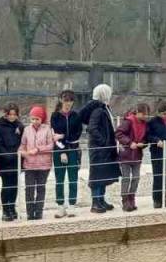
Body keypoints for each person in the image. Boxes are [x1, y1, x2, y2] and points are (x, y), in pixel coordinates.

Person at [81, 84, 119, 213]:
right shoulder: (98, 110)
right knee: (97, 176)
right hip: (99, 149)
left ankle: (101, 199)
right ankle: (96, 202)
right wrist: (103, 141)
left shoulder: (102, 108)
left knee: (103, 174)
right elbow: (92, 128)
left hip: (103, 149)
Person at [51, 90, 83, 218]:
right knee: (59, 179)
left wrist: (63, 136)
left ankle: (72, 205)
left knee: (73, 178)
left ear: (73, 102)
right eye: (65, 100)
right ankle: (60, 206)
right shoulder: (55, 116)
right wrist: (62, 150)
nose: (68, 103)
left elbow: (77, 134)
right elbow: (54, 135)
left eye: (70, 100)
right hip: (59, 151)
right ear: (61, 100)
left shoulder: (76, 116)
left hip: (73, 150)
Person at [21, 105, 56, 220]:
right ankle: (30, 213)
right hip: (29, 164)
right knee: (29, 188)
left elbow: (51, 145)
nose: (35, 121)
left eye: (37, 119)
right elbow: (23, 144)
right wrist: (22, 152)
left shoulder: (47, 129)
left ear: (42, 119)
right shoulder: (26, 130)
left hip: (43, 165)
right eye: (33, 119)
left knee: (41, 188)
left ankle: (39, 211)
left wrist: (38, 149)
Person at [115, 103, 149, 212]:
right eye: (143, 114)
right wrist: (129, 142)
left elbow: (146, 139)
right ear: (138, 112)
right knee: (126, 178)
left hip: (137, 155)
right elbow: (118, 133)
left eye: (146, 115)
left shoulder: (145, 124)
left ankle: (132, 198)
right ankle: (125, 201)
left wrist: (142, 144)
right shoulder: (128, 121)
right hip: (126, 155)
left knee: (136, 178)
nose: (145, 117)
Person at [0, 103, 24, 222]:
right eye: (10, 114)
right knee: (7, 186)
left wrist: (19, 154)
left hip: (17, 159)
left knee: (15, 185)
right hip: (5, 160)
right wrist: (7, 155)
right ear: (5, 114)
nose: (12, 117)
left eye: (14, 114)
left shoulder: (19, 125)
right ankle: (5, 210)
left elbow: (22, 141)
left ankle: (12, 207)